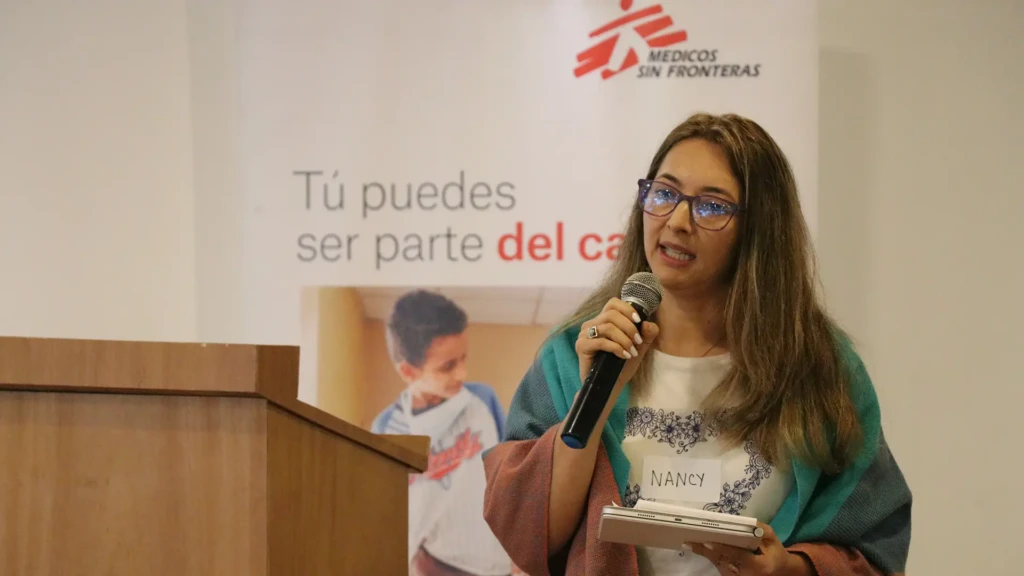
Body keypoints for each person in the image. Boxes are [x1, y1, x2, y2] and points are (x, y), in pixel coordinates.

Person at [482, 113, 912, 576]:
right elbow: (532, 536)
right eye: (664, 194)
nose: (678, 221)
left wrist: (788, 569)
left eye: (711, 205)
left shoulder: (819, 367)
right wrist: (595, 396)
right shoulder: (575, 354)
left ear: (758, 229)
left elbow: (874, 544)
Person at [371, 289, 513, 576]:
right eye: (448, 366)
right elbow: (388, 521)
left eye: (463, 359)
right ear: (409, 372)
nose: (462, 374)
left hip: (501, 567)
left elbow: (513, 475)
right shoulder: (387, 429)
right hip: (439, 567)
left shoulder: (482, 400)